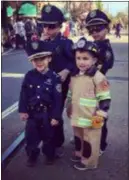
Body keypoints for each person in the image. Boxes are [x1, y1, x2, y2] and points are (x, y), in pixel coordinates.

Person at [66, 38, 111, 170]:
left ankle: (89, 162)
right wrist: (68, 106)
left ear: (94, 60)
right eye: (78, 58)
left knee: (90, 140)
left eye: (85, 58)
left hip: (93, 117)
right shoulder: (74, 75)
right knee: (79, 137)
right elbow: (71, 93)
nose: (81, 62)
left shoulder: (98, 77)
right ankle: (80, 154)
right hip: (78, 115)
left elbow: (105, 97)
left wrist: (102, 113)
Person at [37, 5, 75, 155]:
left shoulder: (66, 43)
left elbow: (74, 61)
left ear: (60, 26)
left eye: (51, 26)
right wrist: (40, 43)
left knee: (56, 111)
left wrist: (66, 71)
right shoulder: (42, 42)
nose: (47, 30)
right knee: (45, 111)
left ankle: (54, 142)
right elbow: (34, 57)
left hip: (60, 84)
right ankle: (53, 140)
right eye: (44, 26)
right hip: (45, 83)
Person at [19, 41, 62, 167]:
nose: (38, 62)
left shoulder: (55, 77)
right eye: (35, 59)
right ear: (31, 61)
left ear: (49, 58)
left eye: (42, 58)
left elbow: (57, 100)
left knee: (49, 137)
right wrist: (23, 110)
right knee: (31, 137)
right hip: (32, 114)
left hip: (47, 114)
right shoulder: (29, 76)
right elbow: (24, 94)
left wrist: (56, 116)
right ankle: (32, 156)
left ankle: (49, 155)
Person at [85, 9, 114, 155]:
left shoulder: (106, 50)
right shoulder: (93, 45)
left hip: (99, 88)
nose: (94, 32)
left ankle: (101, 143)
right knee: (87, 113)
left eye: (98, 29)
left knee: (99, 115)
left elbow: (100, 70)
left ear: (107, 28)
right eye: (91, 29)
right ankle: (88, 138)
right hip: (88, 87)